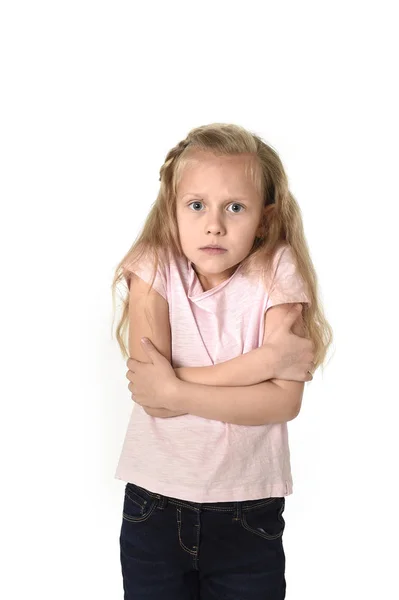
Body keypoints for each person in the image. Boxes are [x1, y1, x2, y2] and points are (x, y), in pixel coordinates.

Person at [111, 123, 333, 599]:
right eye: (197, 206)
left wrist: (175, 386)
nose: (214, 224)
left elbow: (282, 402)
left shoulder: (277, 268)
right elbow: (155, 401)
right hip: (155, 507)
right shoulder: (152, 264)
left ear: (265, 219)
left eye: (235, 207)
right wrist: (267, 359)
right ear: (172, 211)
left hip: (247, 511)